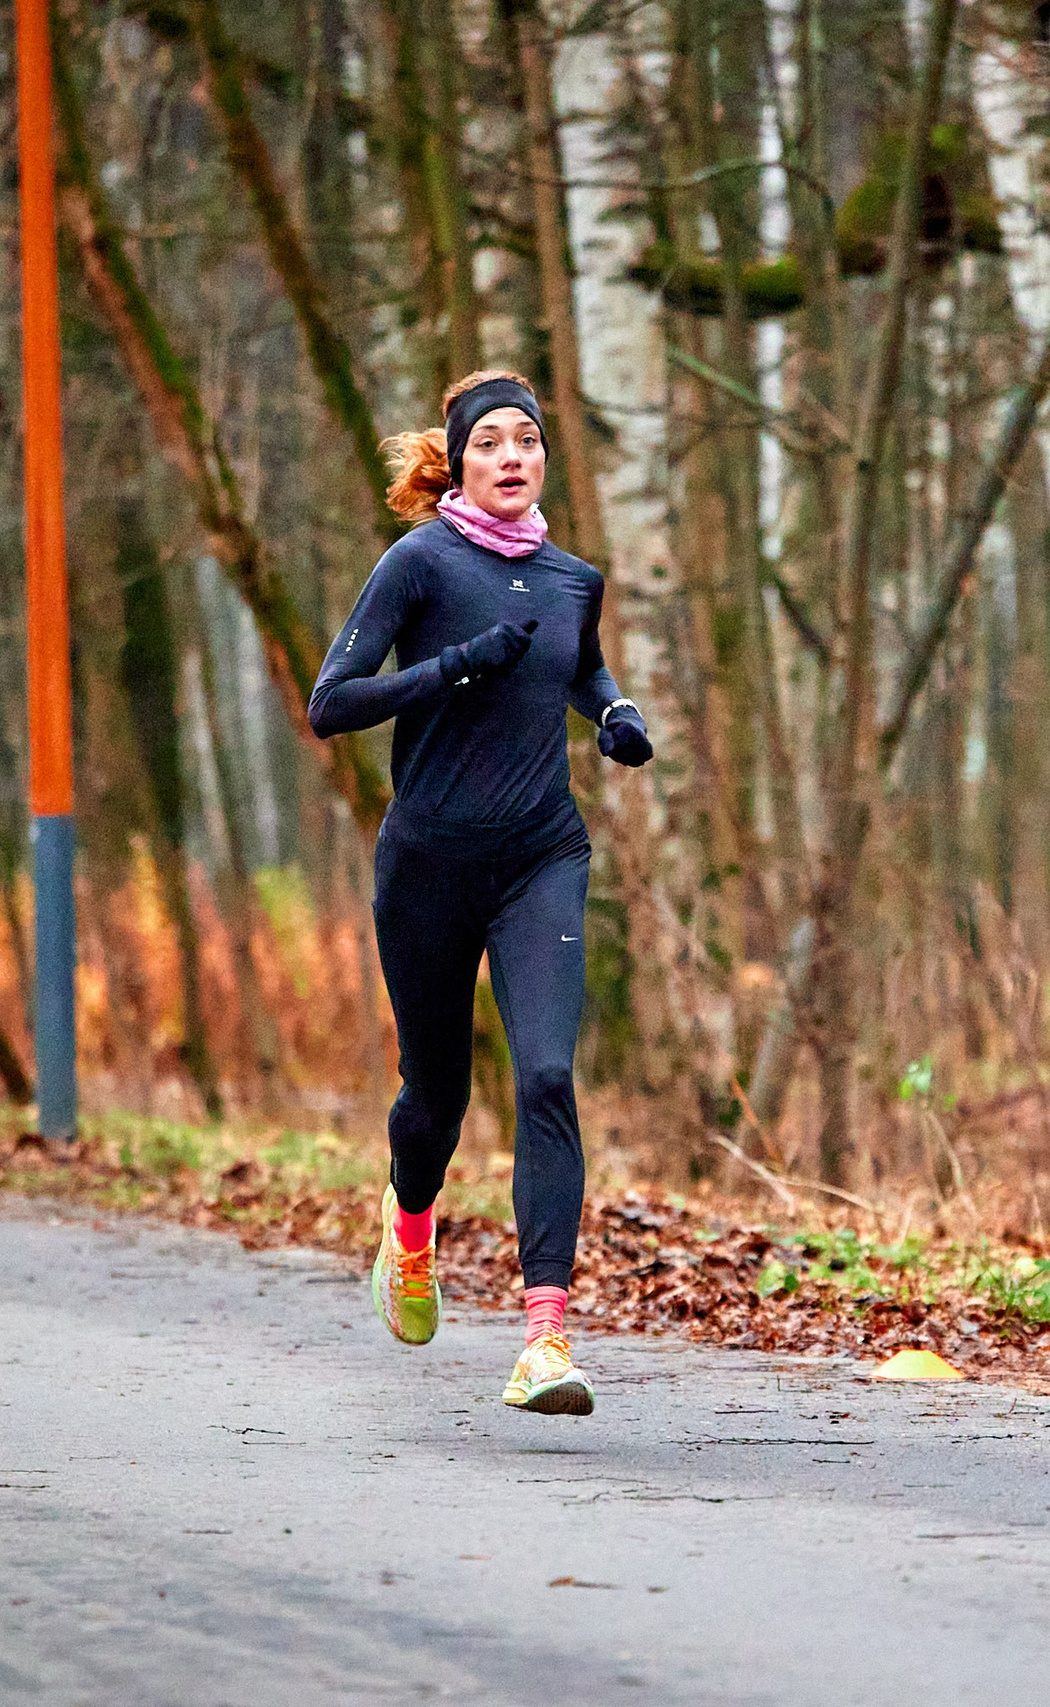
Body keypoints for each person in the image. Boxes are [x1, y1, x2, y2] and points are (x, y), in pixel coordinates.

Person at [309, 369, 653, 1416]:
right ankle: (409, 1224)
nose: (513, 457)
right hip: (427, 865)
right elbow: (333, 704)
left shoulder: (571, 580)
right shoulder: (419, 564)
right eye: (491, 442)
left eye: (528, 441)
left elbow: (576, 670)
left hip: (541, 855)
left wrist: (616, 711)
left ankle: (544, 1338)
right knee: (437, 1101)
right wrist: (451, 668)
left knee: (547, 1077)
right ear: (457, 462)